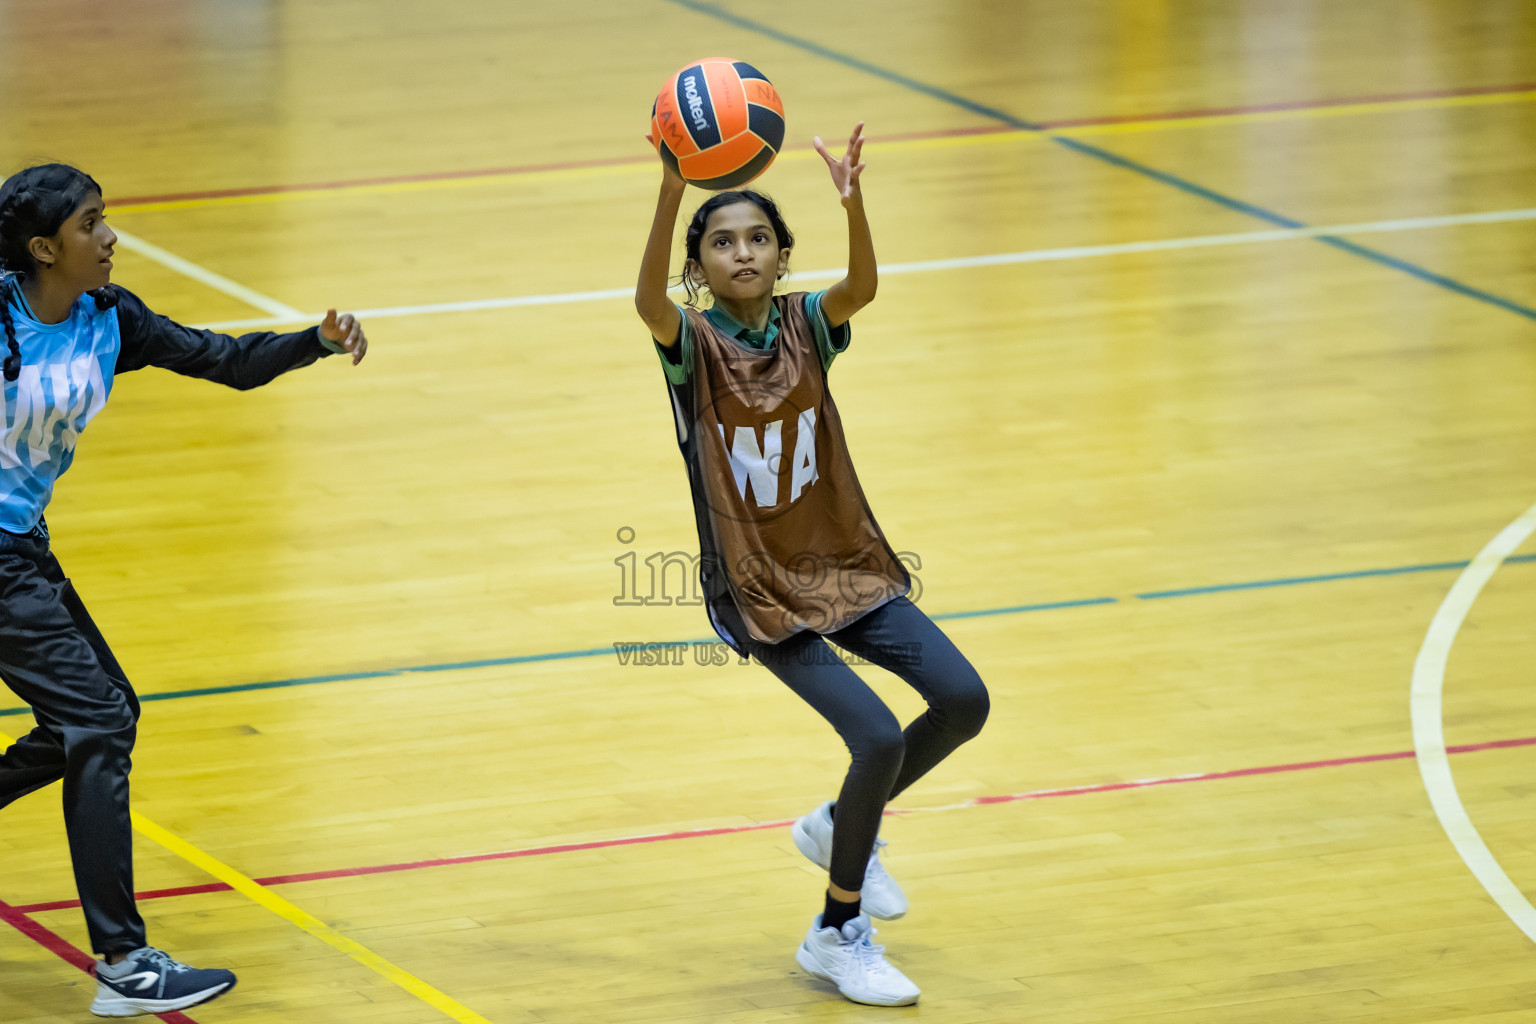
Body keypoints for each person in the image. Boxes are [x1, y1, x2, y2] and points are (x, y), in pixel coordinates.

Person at [0, 162, 367, 1018]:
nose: (110, 237)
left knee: (94, 714)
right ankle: (125, 964)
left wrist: (311, 342)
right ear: (44, 247)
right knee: (98, 720)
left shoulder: (108, 320)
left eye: (106, 219)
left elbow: (226, 361)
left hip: (21, 546)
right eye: (91, 224)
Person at [634, 125, 989, 1007]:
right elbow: (643, 300)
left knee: (964, 700)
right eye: (722, 242)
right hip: (756, 590)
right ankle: (835, 932)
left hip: (842, 564)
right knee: (872, 736)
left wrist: (852, 198)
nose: (742, 251)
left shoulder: (807, 325)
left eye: (758, 238)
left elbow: (862, 287)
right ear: (700, 267)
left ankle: (839, 827)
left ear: (782, 255)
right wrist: (674, 187)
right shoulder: (690, 346)